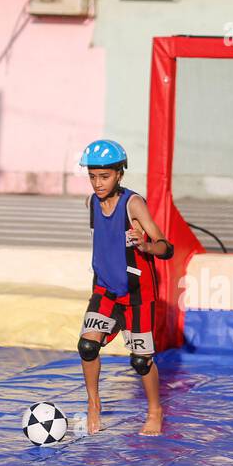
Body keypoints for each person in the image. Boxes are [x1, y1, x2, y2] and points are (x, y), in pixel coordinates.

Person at [76, 139, 174, 436]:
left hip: (136, 294)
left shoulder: (133, 204)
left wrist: (144, 244)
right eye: (92, 176)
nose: (97, 183)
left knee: (141, 361)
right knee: (87, 345)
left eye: (104, 176)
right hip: (105, 288)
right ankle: (94, 404)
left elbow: (166, 248)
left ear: (119, 173)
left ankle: (155, 410)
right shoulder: (91, 202)